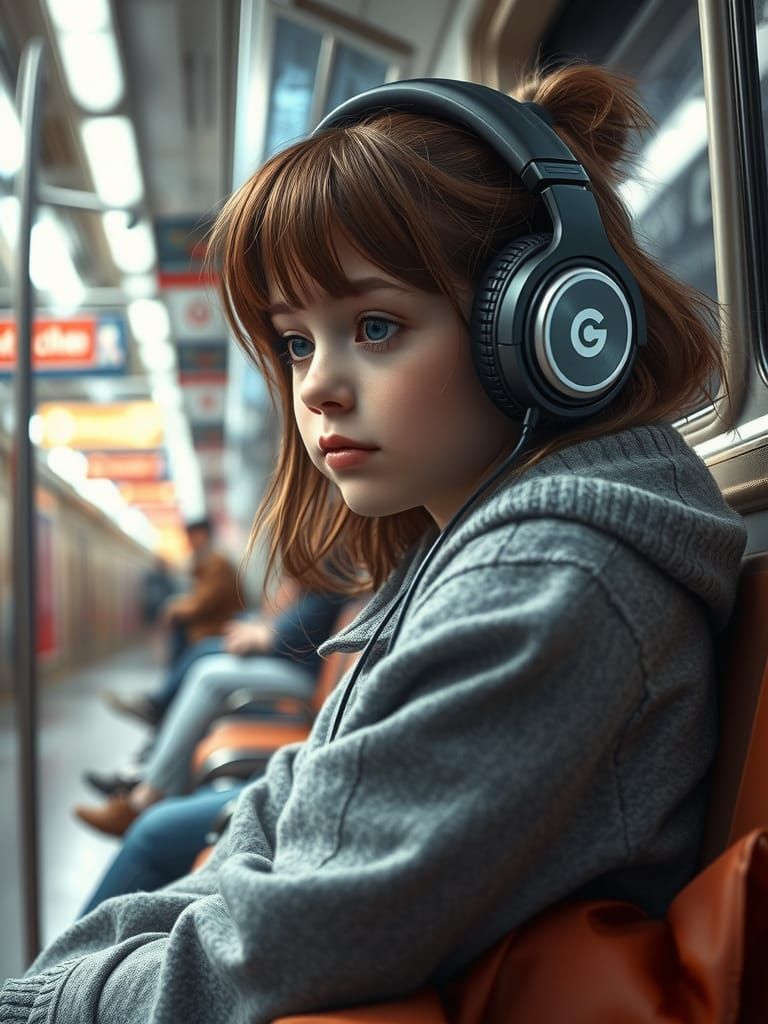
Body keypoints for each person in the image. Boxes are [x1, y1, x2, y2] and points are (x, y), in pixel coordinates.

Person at [0, 64, 747, 1023]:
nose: (315, 388)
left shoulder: (553, 579)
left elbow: (297, 937)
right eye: (297, 342)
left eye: (377, 325)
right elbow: (294, 809)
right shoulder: (483, 550)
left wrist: (48, 1001)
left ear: (547, 328)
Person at [73, 588, 350, 834]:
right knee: (205, 658)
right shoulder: (317, 576)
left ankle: (146, 796)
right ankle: (145, 777)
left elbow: (289, 635)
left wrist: (265, 632)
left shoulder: (329, 575)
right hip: (294, 666)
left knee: (209, 675)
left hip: (302, 677)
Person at [162, 517, 242, 663]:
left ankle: (173, 684)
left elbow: (203, 602)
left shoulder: (217, 565)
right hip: (213, 625)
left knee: (181, 630)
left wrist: (175, 609)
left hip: (217, 628)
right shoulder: (208, 563)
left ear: (202, 535)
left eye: (191, 537)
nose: (189, 542)